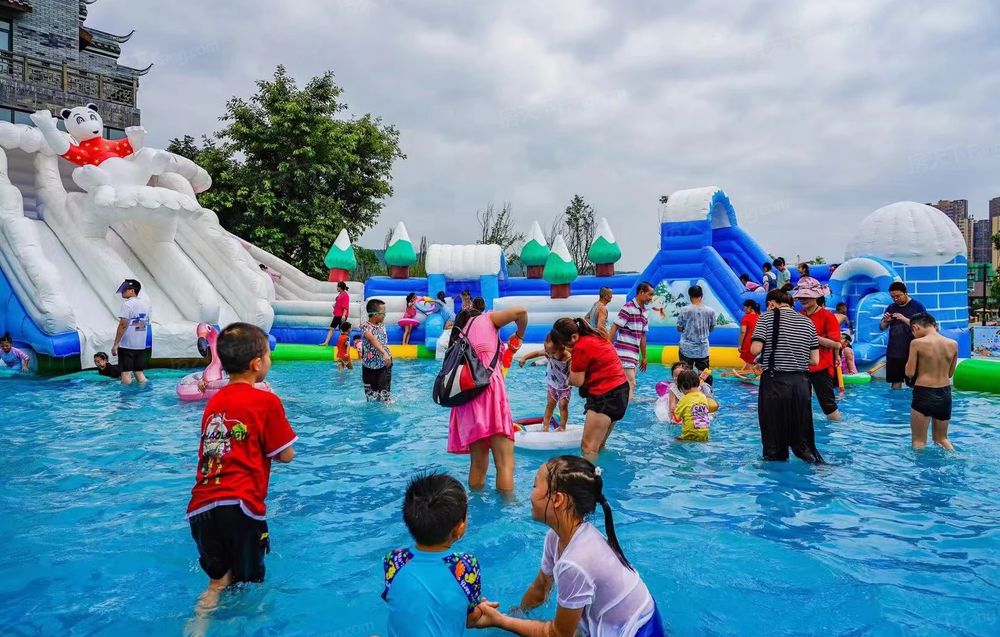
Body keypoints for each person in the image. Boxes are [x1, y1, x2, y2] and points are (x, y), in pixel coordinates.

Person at [471, 456, 664, 636]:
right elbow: (541, 587)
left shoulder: (575, 562)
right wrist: (516, 613)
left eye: (534, 485)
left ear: (557, 500)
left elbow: (558, 634)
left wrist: (500, 621)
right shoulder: (556, 537)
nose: (530, 494)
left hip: (638, 630)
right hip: (632, 612)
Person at [185, 323, 297, 621]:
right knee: (249, 586)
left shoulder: (215, 402)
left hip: (200, 507)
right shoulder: (266, 401)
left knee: (217, 583)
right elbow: (286, 454)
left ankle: (198, 625)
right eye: (268, 355)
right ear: (257, 363)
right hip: (241, 507)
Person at [382, 472, 487, 636]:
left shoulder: (394, 560)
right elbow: (470, 619)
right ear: (459, 528)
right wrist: (481, 610)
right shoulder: (466, 564)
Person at [448, 303, 527, 492]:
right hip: (489, 393)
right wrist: (519, 335)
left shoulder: (459, 333)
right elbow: (521, 312)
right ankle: (507, 508)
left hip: (467, 397)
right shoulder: (486, 319)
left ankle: (474, 504)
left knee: (478, 464)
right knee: (505, 464)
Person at [750, 289, 824, 464]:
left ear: (771, 303)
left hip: (775, 382)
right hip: (801, 384)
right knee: (803, 438)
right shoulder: (807, 322)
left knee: (774, 438)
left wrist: (767, 356)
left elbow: (755, 349)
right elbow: (815, 360)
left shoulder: (766, 318)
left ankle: (776, 470)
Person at [550, 318, 630, 461]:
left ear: (573, 337)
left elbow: (577, 381)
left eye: (565, 344)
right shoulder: (595, 336)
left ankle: (588, 475)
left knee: (588, 449)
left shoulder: (581, 346)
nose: (565, 348)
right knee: (599, 446)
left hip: (605, 397)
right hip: (620, 392)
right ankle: (602, 473)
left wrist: (569, 374)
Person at [905, 313, 958, 451]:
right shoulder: (953, 344)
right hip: (945, 394)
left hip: (924, 393)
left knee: (919, 441)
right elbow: (950, 374)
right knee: (942, 439)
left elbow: (909, 373)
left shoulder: (917, 343)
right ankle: (954, 456)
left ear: (915, 327)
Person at [794, 280, 843, 421]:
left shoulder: (828, 316)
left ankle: (837, 430)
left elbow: (836, 344)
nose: (802, 299)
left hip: (822, 367)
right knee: (800, 403)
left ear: (816, 297)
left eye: (806, 296)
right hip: (801, 366)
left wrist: (812, 336)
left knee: (828, 405)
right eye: (801, 297)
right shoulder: (798, 315)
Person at [519, 334, 572, 432]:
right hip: (552, 385)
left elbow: (574, 371)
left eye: (553, 352)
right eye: (547, 352)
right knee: (550, 404)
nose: (549, 355)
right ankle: (546, 425)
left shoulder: (568, 357)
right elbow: (537, 353)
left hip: (564, 387)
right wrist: (524, 358)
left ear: (562, 348)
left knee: (563, 405)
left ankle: (562, 426)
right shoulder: (549, 351)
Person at [609, 281, 653, 399]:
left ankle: (622, 405)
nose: (651, 298)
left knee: (627, 386)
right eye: (650, 294)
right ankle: (628, 409)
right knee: (631, 384)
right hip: (624, 354)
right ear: (641, 292)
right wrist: (608, 348)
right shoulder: (628, 307)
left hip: (634, 355)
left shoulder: (645, 312)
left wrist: (644, 357)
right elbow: (615, 327)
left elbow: (642, 336)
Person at [879, 282, 927, 389]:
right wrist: (886, 321)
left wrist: (904, 319)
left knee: (915, 384)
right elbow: (882, 327)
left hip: (912, 351)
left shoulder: (917, 307)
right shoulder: (891, 307)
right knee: (895, 382)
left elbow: (924, 328)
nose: (895, 299)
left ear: (905, 293)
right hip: (894, 352)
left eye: (898, 296)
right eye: (893, 297)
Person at [111, 279, 151, 385]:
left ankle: (126, 396)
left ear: (132, 291)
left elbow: (123, 325)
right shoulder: (146, 305)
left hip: (127, 345)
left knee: (126, 374)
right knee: (139, 373)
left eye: (125, 289)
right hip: (140, 346)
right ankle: (146, 392)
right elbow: (144, 324)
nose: (122, 291)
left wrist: (116, 344)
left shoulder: (127, 304)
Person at [675, 285, 717, 383]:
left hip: (686, 348)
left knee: (685, 373)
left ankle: (687, 391)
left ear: (690, 296)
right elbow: (711, 328)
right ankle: (705, 390)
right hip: (702, 348)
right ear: (701, 295)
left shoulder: (684, 310)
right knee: (704, 374)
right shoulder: (710, 311)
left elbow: (679, 328)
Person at [361, 298, 393, 402]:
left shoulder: (381, 325)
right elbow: (372, 339)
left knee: (384, 397)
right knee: (371, 397)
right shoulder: (365, 327)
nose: (385, 315)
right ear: (375, 314)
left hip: (383, 366)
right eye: (383, 313)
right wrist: (384, 353)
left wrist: (387, 355)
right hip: (368, 368)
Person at [674, 369, 718, 442]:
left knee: (674, 440)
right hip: (705, 435)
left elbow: (676, 419)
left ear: (682, 387)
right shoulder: (703, 397)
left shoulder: (683, 400)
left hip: (689, 435)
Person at [320, 281, 351, 347]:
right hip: (337, 315)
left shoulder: (345, 295)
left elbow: (345, 307)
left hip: (341, 315)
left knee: (342, 331)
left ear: (340, 287)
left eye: (337, 287)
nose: (336, 288)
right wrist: (335, 305)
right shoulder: (340, 294)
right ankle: (326, 342)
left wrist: (343, 316)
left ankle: (343, 344)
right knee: (332, 328)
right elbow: (339, 302)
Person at [738, 299, 761, 373]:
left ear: (749, 307)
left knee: (749, 366)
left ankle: (744, 378)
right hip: (758, 343)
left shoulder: (746, 317)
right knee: (753, 364)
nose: (744, 309)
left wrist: (740, 345)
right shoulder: (759, 317)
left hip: (748, 343)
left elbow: (743, 332)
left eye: (745, 307)